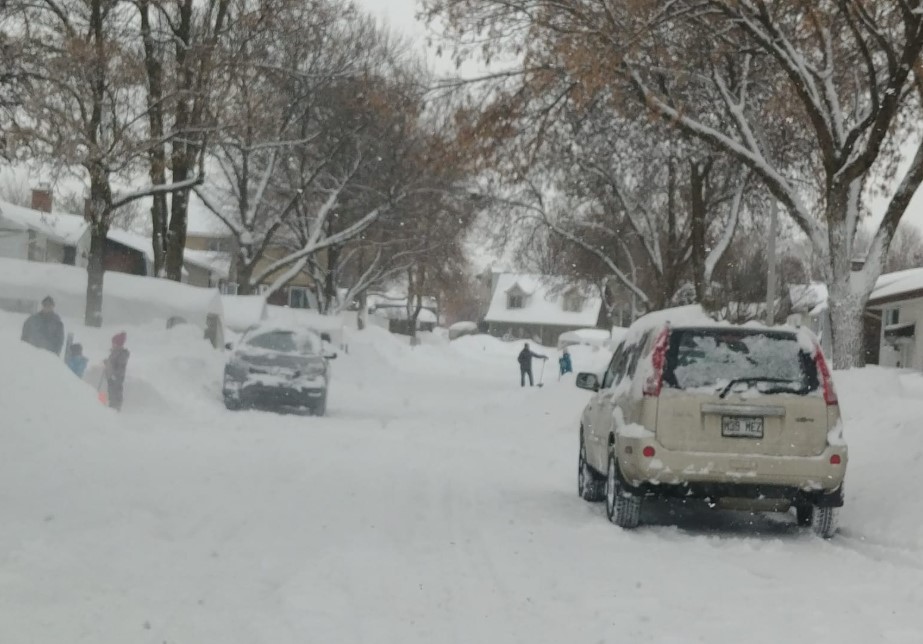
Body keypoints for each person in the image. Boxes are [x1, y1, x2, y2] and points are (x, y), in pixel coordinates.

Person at [104, 332, 130, 411]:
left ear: (118, 344)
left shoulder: (122, 354)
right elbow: (112, 362)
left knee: (116, 393)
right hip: (111, 377)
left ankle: (116, 408)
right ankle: (111, 407)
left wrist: (114, 373)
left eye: (114, 343)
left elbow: (119, 366)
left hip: (116, 378)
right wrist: (107, 362)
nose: (112, 344)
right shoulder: (114, 352)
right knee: (110, 393)